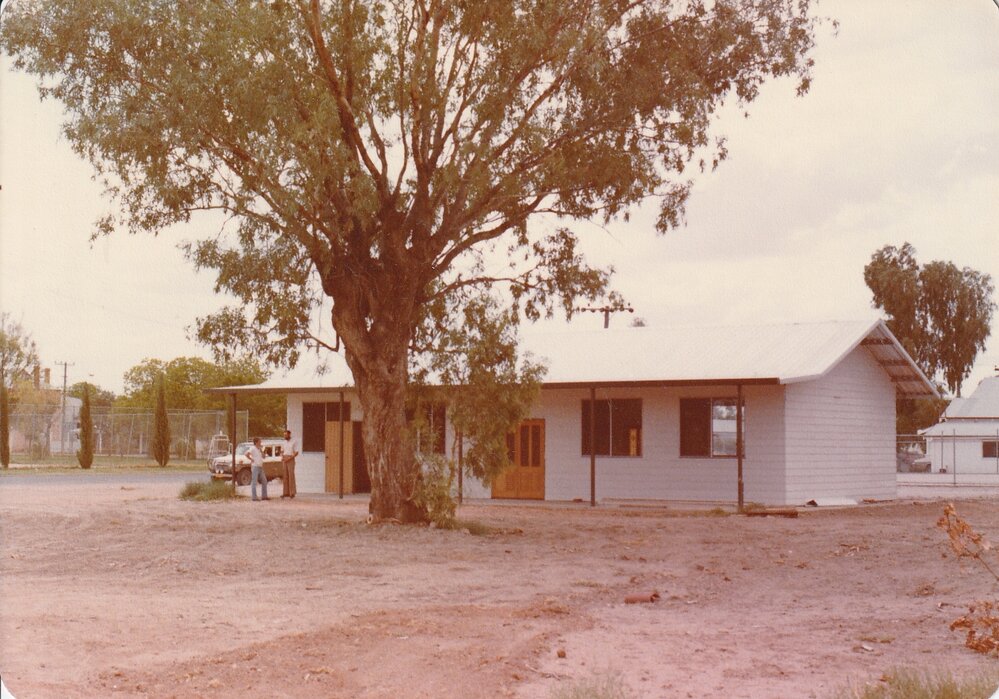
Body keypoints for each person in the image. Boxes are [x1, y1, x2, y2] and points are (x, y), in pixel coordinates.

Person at [247, 437, 269, 501]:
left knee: (264, 481)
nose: (260, 442)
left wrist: (262, 451)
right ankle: (254, 497)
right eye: (259, 441)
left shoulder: (259, 449)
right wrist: (251, 459)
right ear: (256, 442)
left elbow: (264, 457)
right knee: (254, 482)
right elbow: (246, 454)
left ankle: (264, 496)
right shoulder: (252, 448)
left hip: (260, 466)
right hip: (255, 466)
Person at [281, 429, 300, 499]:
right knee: (285, 476)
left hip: (290, 458)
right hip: (284, 458)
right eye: (284, 435)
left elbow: (296, 452)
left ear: (289, 434)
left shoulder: (294, 441)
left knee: (291, 475)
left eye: (286, 435)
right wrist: (282, 457)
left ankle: (292, 493)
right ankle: (285, 493)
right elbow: (282, 451)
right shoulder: (283, 442)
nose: (285, 436)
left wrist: (289, 458)